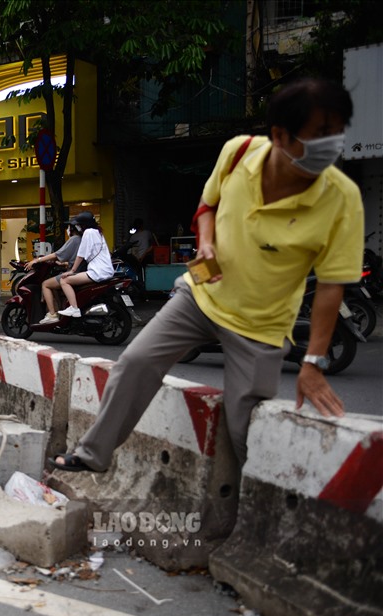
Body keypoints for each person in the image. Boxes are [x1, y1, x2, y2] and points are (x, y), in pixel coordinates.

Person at [50, 77, 363, 473]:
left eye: (337, 132)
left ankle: (247, 513)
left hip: (261, 326)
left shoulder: (342, 198)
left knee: (243, 426)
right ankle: (93, 454)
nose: (332, 144)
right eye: (320, 133)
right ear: (280, 135)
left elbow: (332, 287)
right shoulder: (239, 153)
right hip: (200, 297)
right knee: (135, 364)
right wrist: (208, 244)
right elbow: (208, 205)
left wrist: (313, 363)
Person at [36, 211, 113, 323]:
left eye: (78, 224)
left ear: (83, 225)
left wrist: (72, 271)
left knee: (64, 280)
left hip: (97, 272)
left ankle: (74, 308)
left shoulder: (88, 233)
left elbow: (81, 255)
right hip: (106, 271)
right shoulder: (98, 232)